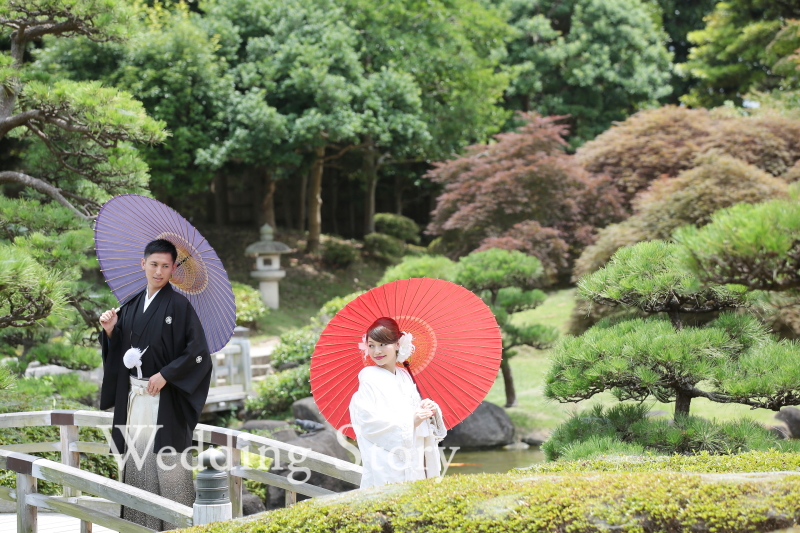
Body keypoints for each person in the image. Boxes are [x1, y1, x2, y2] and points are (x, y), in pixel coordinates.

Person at [99, 239, 212, 531]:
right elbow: (122, 350)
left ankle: (181, 528)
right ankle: (141, 527)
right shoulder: (133, 304)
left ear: (174, 268)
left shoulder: (179, 305)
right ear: (143, 264)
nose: (159, 271)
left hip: (166, 401)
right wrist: (111, 331)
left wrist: (167, 375)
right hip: (136, 399)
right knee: (137, 467)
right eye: (154, 265)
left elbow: (198, 353)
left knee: (170, 468)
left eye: (165, 266)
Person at [348, 317, 447, 489]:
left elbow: (412, 410)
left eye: (382, 344)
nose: (376, 351)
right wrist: (412, 421)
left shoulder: (404, 374)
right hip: (388, 460)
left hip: (416, 453)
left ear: (398, 344)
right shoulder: (369, 378)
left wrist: (428, 409)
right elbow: (368, 423)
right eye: (371, 345)